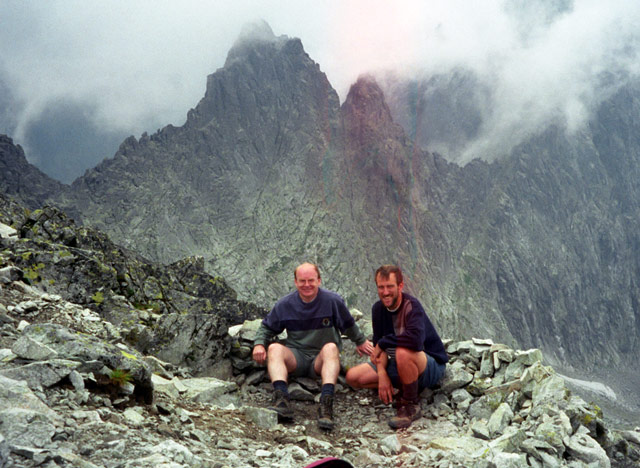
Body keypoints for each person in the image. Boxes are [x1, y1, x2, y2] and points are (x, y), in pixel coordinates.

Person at [252, 262, 373, 430]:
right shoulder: (285, 305)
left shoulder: (332, 301)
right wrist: (259, 344)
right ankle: (281, 399)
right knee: (274, 348)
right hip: (297, 357)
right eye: (302, 281)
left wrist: (360, 341)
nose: (307, 285)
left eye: (311, 280)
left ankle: (326, 404)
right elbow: (267, 327)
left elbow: (348, 324)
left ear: (319, 281)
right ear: (295, 282)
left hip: (321, 359)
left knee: (331, 347)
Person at [345, 265, 448, 429]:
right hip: (400, 364)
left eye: (390, 286)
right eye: (381, 287)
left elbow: (415, 342)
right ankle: (402, 387)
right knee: (353, 377)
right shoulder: (378, 309)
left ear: (400, 286)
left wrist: (384, 343)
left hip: (429, 364)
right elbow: (380, 348)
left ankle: (410, 404)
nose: (385, 292)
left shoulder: (411, 306)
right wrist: (382, 374)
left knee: (402, 352)